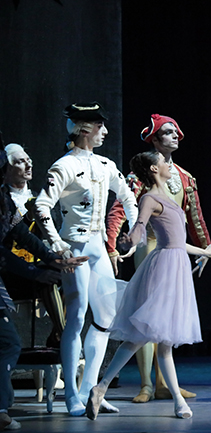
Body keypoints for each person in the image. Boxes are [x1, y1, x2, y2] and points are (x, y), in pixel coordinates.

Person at [86, 150, 211, 420]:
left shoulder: (169, 199)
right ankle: (101, 388)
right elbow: (139, 226)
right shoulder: (149, 198)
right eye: (162, 160)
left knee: (165, 341)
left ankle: (175, 401)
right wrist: (127, 241)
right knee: (140, 335)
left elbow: (177, 240)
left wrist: (204, 252)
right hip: (163, 269)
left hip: (176, 265)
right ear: (153, 167)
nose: (167, 164)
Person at [34, 103, 138, 416]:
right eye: (98, 126)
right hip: (75, 246)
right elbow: (41, 206)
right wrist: (58, 246)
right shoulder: (63, 166)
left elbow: (128, 197)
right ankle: (70, 399)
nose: (104, 131)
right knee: (77, 316)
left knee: (105, 317)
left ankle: (90, 390)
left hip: (96, 247)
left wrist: (135, 229)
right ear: (83, 128)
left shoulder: (106, 164)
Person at [106, 114, 208, 403]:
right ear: (154, 139)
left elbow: (194, 217)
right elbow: (120, 210)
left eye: (176, 131)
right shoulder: (141, 178)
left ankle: (165, 383)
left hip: (177, 250)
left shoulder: (185, 176)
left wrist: (204, 248)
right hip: (152, 247)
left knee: (168, 319)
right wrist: (113, 244)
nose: (175, 136)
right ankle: (146, 384)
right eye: (167, 132)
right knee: (149, 318)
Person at [0, 135, 87, 430]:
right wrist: (38, 269)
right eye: (18, 161)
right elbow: (8, 249)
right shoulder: (4, 198)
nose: (28, 164)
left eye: (28, 159)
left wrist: (55, 259)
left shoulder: (27, 200)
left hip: (25, 266)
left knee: (60, 276)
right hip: (12, 273)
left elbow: (25, 237)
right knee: (9, 342)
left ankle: (64, 338)